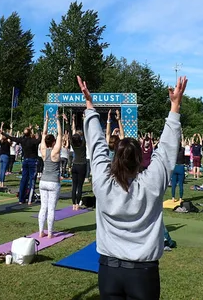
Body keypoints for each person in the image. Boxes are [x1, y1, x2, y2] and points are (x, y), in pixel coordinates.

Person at [79, 75, 187, 300]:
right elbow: (166, 150)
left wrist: (90, 106)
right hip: (143, 272)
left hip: (109, 271)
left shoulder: (102, 181)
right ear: (140, 160)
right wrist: (174, 106)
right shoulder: (152, 182)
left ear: (115, 159)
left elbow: (97, 145)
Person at [1, 124, 41, 205]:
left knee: (24, 180)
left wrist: (3, 133)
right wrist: (39, 130)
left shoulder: (22, 140)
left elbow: (11, 138)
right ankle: (29, 199)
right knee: (32, 180)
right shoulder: (32, 141)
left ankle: (21, 199)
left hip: (25, 161)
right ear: (30, 134)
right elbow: (39, 139)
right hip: (32, 160)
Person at [38, 113, 62, 238]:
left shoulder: (42, 150)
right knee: (51, 209)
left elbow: (43, 134)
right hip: (53, 182)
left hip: (43, 182)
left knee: (43, 208)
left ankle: (41, 232)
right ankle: (50, 233)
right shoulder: (55, 151)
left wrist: (46, 120)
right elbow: (60, 135)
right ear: (53, 142)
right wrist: (57, 120)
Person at [70, 115, 88, 211]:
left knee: (74, 186)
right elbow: (85, 133)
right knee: (80, 186)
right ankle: (77, 205)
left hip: (75, 165)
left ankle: (73, 204)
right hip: (82, 165)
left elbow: (69, 133)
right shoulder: (82, 145)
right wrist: (84, 120)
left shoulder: (73, 144)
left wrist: (68, 122)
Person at [171, 138, 186, 202]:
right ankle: (180, 198)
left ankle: (173, 197)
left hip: (174, 167)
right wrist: (182, 137)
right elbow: (184, 143)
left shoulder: (173, 151)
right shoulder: (182, 149)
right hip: (181, 167)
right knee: (181, 184)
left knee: (173, 184)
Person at [0, 123, 11, 188]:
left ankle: (0, 182)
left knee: (1, 170)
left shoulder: (1, 142)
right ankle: (2, 183)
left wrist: (1, 126)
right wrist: (11, 129)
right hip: (5, 157)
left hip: (1, 156)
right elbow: (10, 136)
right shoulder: (7, 143)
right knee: (4, 170)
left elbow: (1, 135)